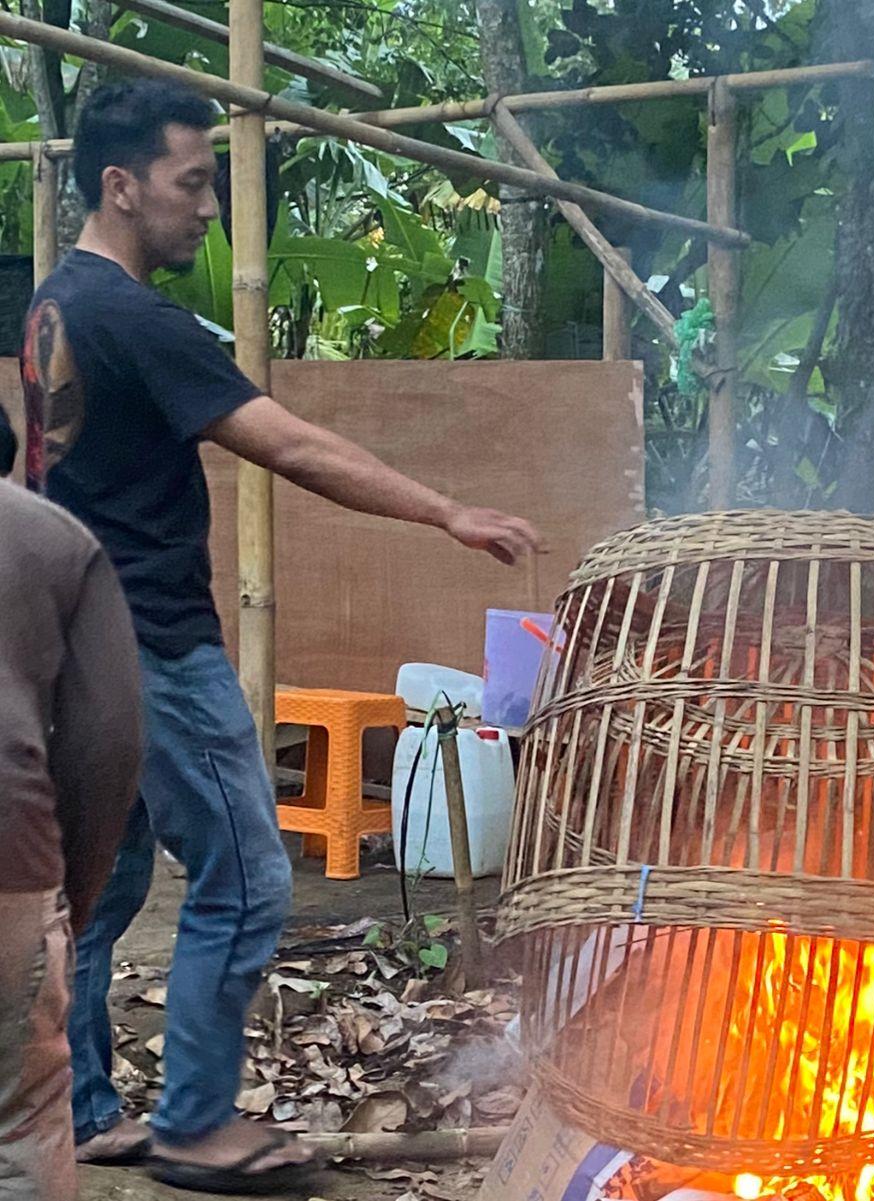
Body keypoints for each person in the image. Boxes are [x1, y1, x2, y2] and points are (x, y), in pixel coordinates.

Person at [21, 79, 543, 1193]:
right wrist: (446, 510)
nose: (209, 209)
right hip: (153, 639)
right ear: (122, 187)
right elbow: (291, 445)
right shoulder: (134, 319)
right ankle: (198, 1122)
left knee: (103, 887)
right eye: (191, 182)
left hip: (68, 645)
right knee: (251, 878)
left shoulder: (49, 305)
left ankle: (82, 1108)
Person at [0, 481, 143, 1201]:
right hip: (8, 868)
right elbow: (108, 742)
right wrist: (69, 905)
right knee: (19, 1125)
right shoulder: (54, 538)